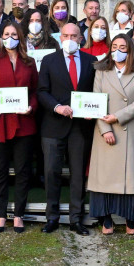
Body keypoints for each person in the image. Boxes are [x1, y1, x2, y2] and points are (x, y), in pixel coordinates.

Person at [37, 22, 97, 235]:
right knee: (51, 172)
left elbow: (96, 92)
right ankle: (51, 218)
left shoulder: (92, 61)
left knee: (78, 174)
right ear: (60, 37)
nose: (70, 39)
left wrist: (95, 110)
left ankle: (76, 219)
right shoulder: (48, 60)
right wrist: (57, 107)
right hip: (53, 126)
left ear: (81, 38)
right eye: (66, 35)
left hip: (80, 128)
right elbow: (42, 91)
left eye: (74, 35)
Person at [0, 21, 38, 233]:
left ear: (20, 38)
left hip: (24, 124)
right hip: (0, 124)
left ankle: (19, 215)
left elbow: (35, 92)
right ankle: (2, 215)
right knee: (0, 171)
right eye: (6, 34)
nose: (10, 37)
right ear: (1, 37)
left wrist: (31, 107)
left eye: (14, 34)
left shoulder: (29, 62)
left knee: (23, 171)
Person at [88, 35, 134, 235]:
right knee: (104, 177)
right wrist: (106, 129)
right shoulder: (101, 71)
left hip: (129, 129)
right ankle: (106, 219)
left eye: (122, 47)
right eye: (114, 47)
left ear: (130, 50)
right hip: (104, 130)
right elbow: (96, 102)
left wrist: (117, 117)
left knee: (130, 178)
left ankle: (131, 219)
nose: (118, 50)